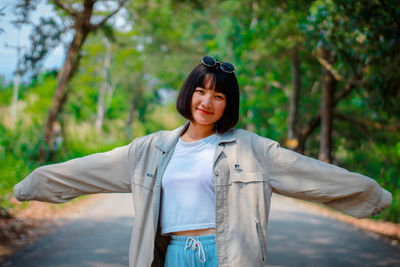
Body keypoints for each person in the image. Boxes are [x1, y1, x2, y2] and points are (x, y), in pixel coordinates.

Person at [14, 56, 392, 267]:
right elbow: (85, 170)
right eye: (200, 91)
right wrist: (30, 186)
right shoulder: (150, 149)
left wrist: (372, 195)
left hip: (228, 256)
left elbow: (312, 174)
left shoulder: (252, 149)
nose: (207, 103)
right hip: (176, 255)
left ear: (229, 105)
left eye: (219, 97)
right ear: (189, 94)